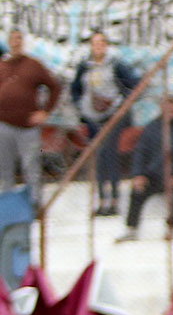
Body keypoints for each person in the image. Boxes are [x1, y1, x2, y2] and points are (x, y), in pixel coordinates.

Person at [70, 31, 138, 216]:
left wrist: (120, 103)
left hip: (113, 116)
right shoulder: (85, 67)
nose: (98, 47)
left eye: (101, 43)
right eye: (95, 43)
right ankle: (102, 200)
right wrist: (81, 106)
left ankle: (114, 200)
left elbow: (134, 84)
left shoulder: (116, 65)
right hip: (93, 118)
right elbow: (75, 89)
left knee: (109, 154)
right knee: (99, 157)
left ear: (106, 46)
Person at [116, 95, 173, 242]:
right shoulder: (151, 128)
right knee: (137, 191)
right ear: (161, 107)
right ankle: (132, 228)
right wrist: (138, 174)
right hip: (155, 174)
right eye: (167, 105)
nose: (170, 109)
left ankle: (172, 227)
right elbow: (140, 152)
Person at [0, 29, 61, 206]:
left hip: (28, 128)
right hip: (3, 125)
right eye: (12, 39)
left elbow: (55, 87)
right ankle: (7, 206)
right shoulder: (2, 66)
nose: (16, 42)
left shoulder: (34, 65)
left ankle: (34, 204)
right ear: (8, 42)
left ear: (23, 41)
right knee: (4, 167)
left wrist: (45, 111)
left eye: (19, 38)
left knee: (31, 167)